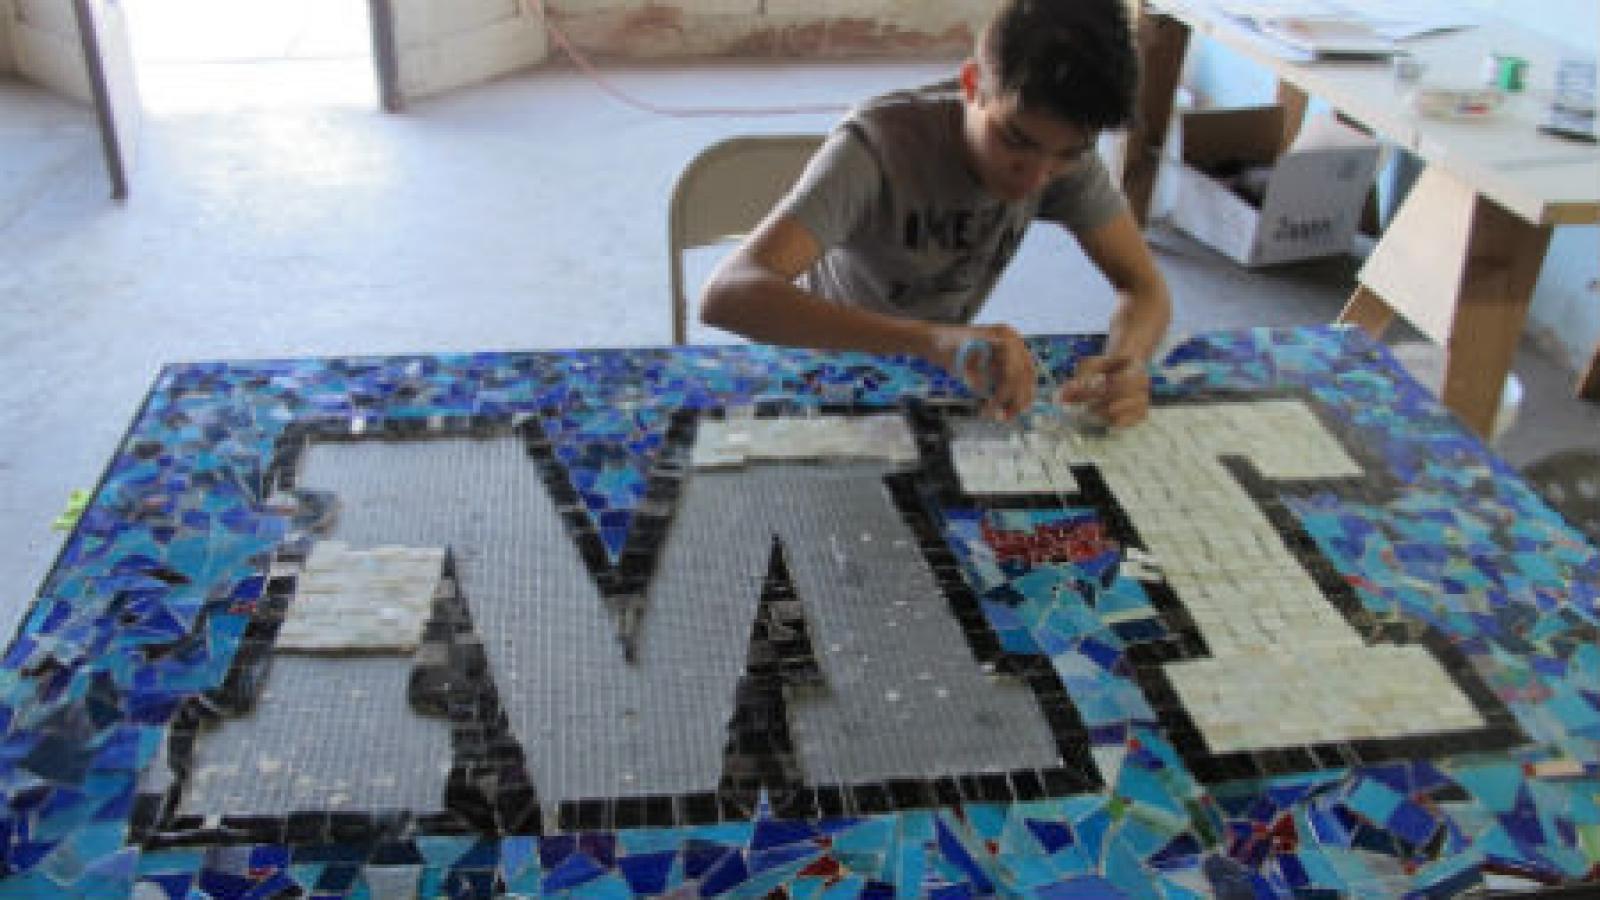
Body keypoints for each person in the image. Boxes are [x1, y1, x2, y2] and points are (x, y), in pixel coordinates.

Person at [699, 0, 1171, 427]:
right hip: (833, 373)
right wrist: (930, 339)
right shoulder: (878, 147)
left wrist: (1126, 361)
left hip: (941, 374)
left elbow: (1144, 286)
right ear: (972, 86)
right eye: (1015, 142)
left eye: (1068, 154)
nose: (1035, 178)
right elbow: (728, 294)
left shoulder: (1059, 153)